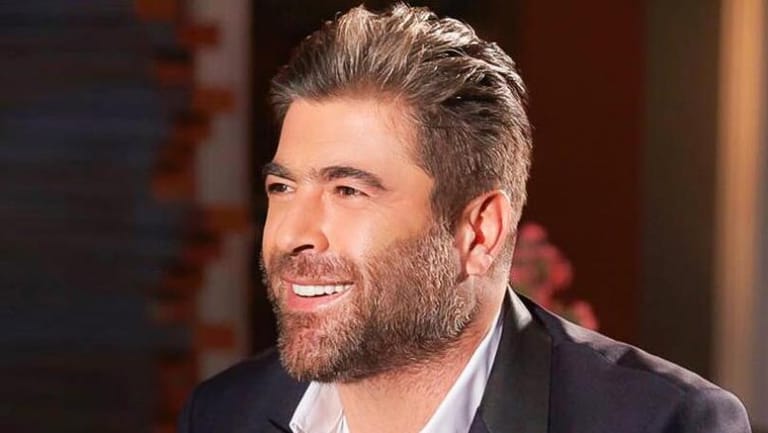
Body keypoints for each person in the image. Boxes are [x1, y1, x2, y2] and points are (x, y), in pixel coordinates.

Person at [178, 4, 751, 433]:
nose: (291, 234)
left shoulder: (661, 423)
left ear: (479, 232)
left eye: (348, 190)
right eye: (283, 187)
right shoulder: (225, 413)